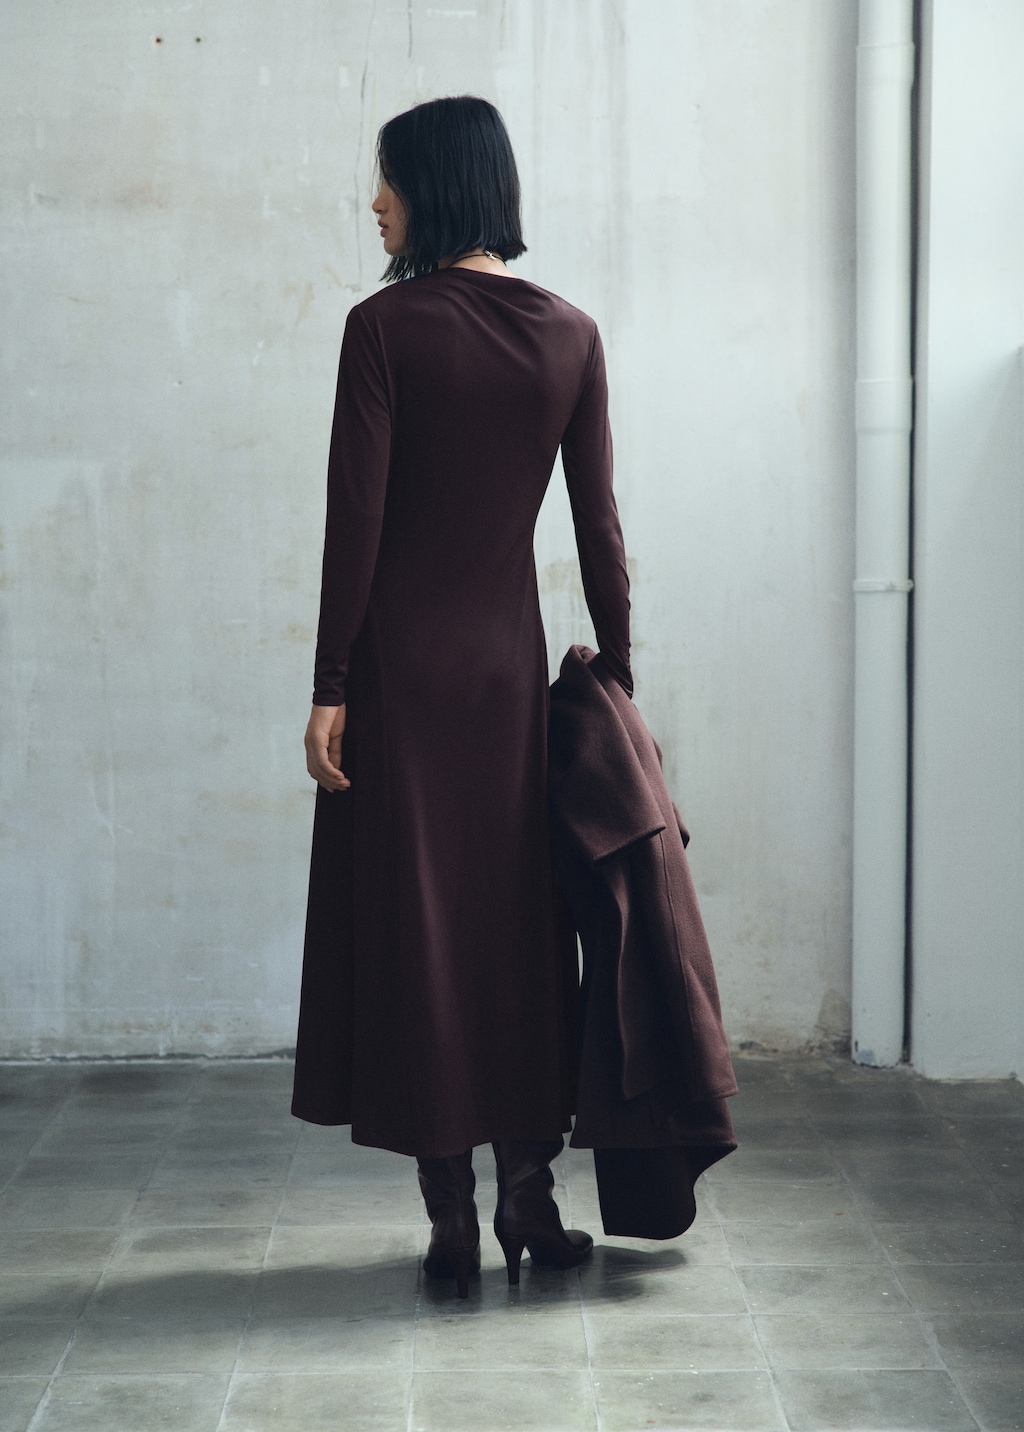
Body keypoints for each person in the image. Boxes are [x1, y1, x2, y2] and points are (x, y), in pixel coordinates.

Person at [291, 95, 632, 1299]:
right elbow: (597, 524)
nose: (374, 203)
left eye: (386, 181)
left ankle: (450, 1221)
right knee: (519, 932)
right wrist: (619, 672)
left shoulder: (382, 329)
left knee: (419, 930)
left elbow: (357, 521)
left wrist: (330, 685)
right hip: (506, 681)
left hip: (401, 680)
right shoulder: (570, 334)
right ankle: (527, 1199)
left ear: (432, 188)